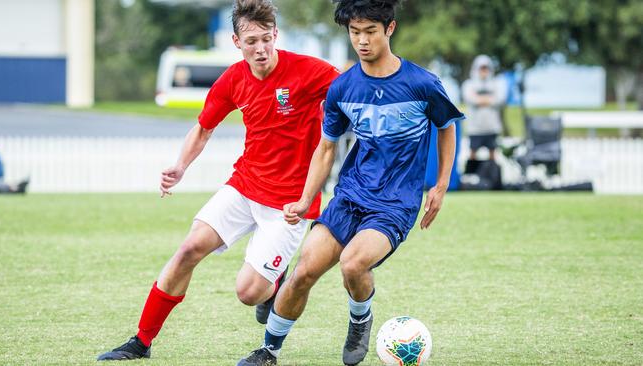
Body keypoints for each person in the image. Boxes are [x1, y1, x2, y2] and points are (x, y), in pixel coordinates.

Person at [97, 0, 339, 361]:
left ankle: (272, 285)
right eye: (251, 41)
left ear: (276, 35)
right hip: (244, 186)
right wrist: (180, 166)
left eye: (266, 39)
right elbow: (204, 127)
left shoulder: (310, 71)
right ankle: (141, 342)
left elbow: (353, 91)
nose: (260, 49)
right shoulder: (233, 79)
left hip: (290, 203)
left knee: (248, 292)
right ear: (236, 42)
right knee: (188, 249)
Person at [237, 0, 464, 365]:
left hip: (395, 203)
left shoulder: (422, 83)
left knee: (353, 264)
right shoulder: (343, 88)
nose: (361, 41)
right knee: (303, 272)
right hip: (350, 195)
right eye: (354, 32)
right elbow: (326, 148)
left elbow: (446, 127)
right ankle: (269, 350)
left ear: (390, 29)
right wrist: (304, 199)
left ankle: (360, 319)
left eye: (370, 32)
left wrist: (440, 186)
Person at [461, 54, 507, 161]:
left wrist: (479, 98)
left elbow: (500, 99)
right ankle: (471, 176)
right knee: (472, 154)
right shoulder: (468, 84)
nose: (484, 71)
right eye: (481, 68)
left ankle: (492, 177)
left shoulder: (497, 83)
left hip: (492, 127)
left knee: (493, 155)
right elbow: (470, 99)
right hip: (475, 128)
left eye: (486, 68)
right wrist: (489, 98)